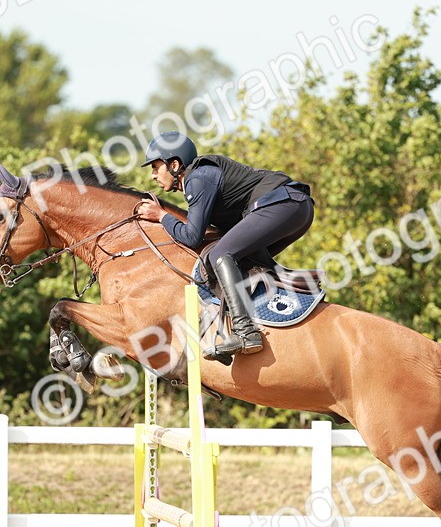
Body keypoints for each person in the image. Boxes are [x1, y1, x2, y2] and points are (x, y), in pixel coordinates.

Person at [134, 131, 314, 357]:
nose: (153, 175)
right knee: (244, 259)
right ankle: (287, 303)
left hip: (284, 204)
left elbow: (191, 237)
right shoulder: (200, 179)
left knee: (220, 254)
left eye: (155, 167)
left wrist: (162, 216)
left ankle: (245, 331)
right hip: (297, 208)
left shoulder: (197, 178)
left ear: (175, 165)